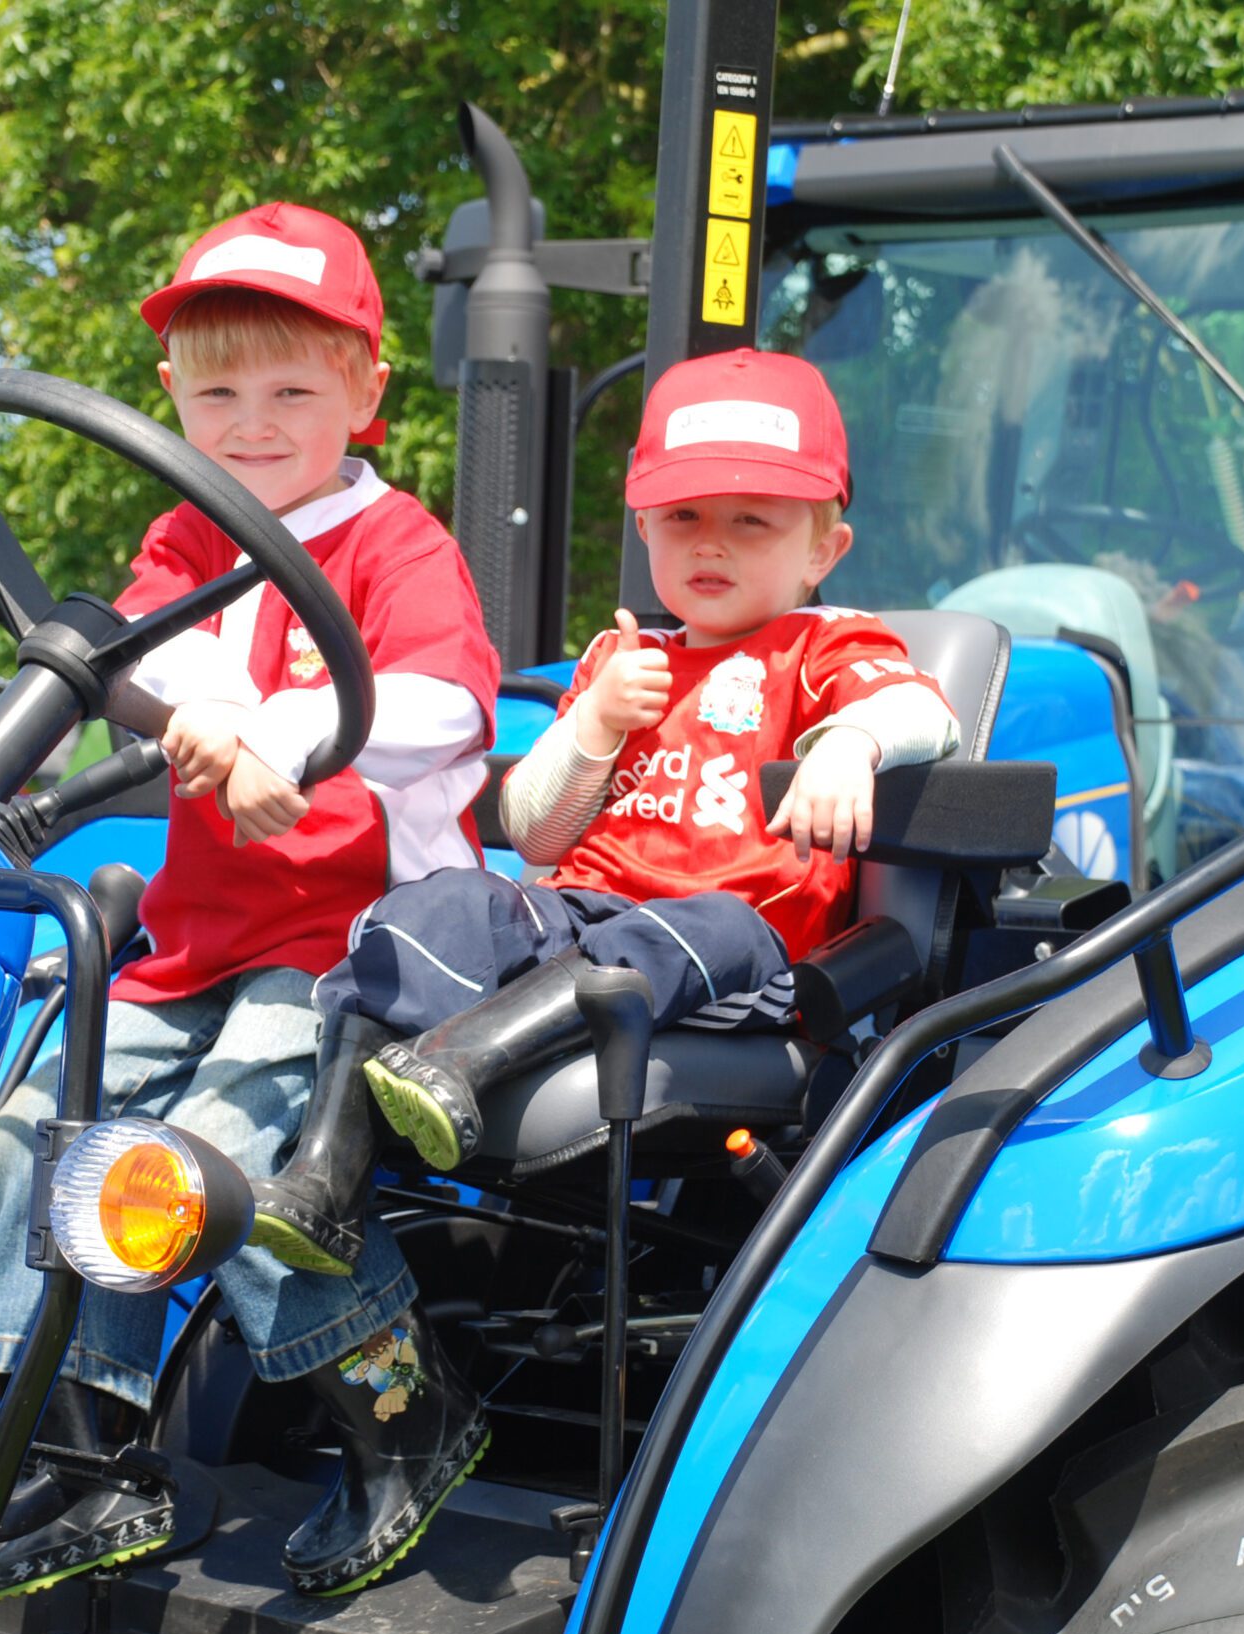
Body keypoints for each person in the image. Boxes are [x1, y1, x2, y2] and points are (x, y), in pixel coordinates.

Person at [0, 202, 503, 1602]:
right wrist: (207, 705)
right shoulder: (182, 541)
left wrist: (287, 729)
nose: (251, 421)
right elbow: (144, 668)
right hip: (201, 940)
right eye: (218, 390)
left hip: (361, 943)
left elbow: (445, 703)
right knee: (35, 1132)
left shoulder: (394, 543)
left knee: (208, 1173)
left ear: (365, 392)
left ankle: (406, 1415)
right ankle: (90, 1456)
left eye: (290, 389)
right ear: (169, 398)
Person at [246, 347, 958, 1235]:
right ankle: (323, 1183)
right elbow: (535, 835)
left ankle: (460, 1061)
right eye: (684, 514)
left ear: (825, 547)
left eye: (752, 521)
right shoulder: (621, 658)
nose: (710, 540)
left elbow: (919, 710)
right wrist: (594, 728)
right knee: (439, 904)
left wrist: (851, 745)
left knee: (698, 927)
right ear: (645, 528)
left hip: (736, 953)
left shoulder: (827, 645)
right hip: (583, 918)